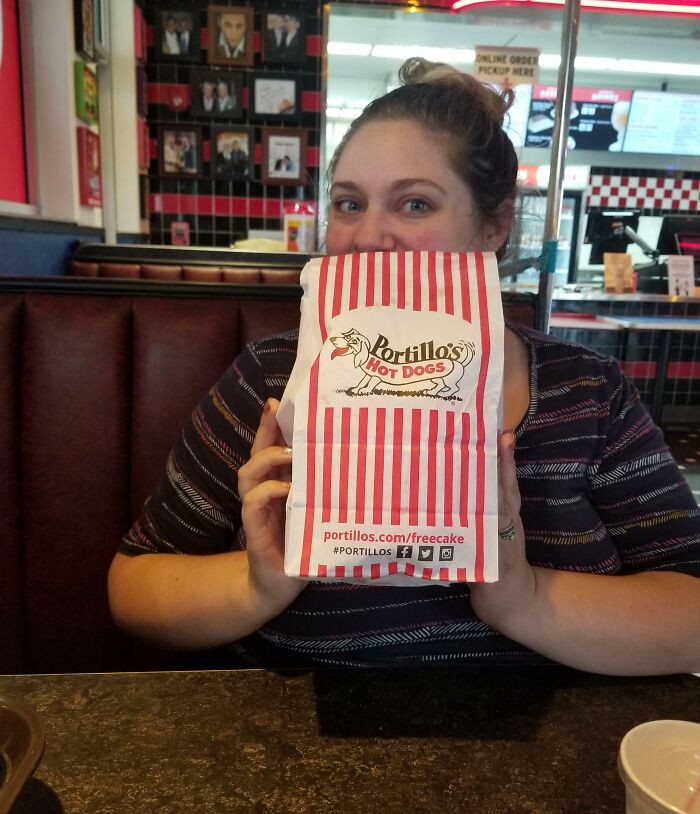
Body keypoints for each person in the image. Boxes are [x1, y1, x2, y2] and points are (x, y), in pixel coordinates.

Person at [109, 58, 700, 675]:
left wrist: (521, 598)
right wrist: (262, 582)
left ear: (494, 226)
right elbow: (133, 588)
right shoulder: (271, 379)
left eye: (414, 203)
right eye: (348, 203)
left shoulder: (587, 392)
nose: (367, 238)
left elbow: (690, 613)